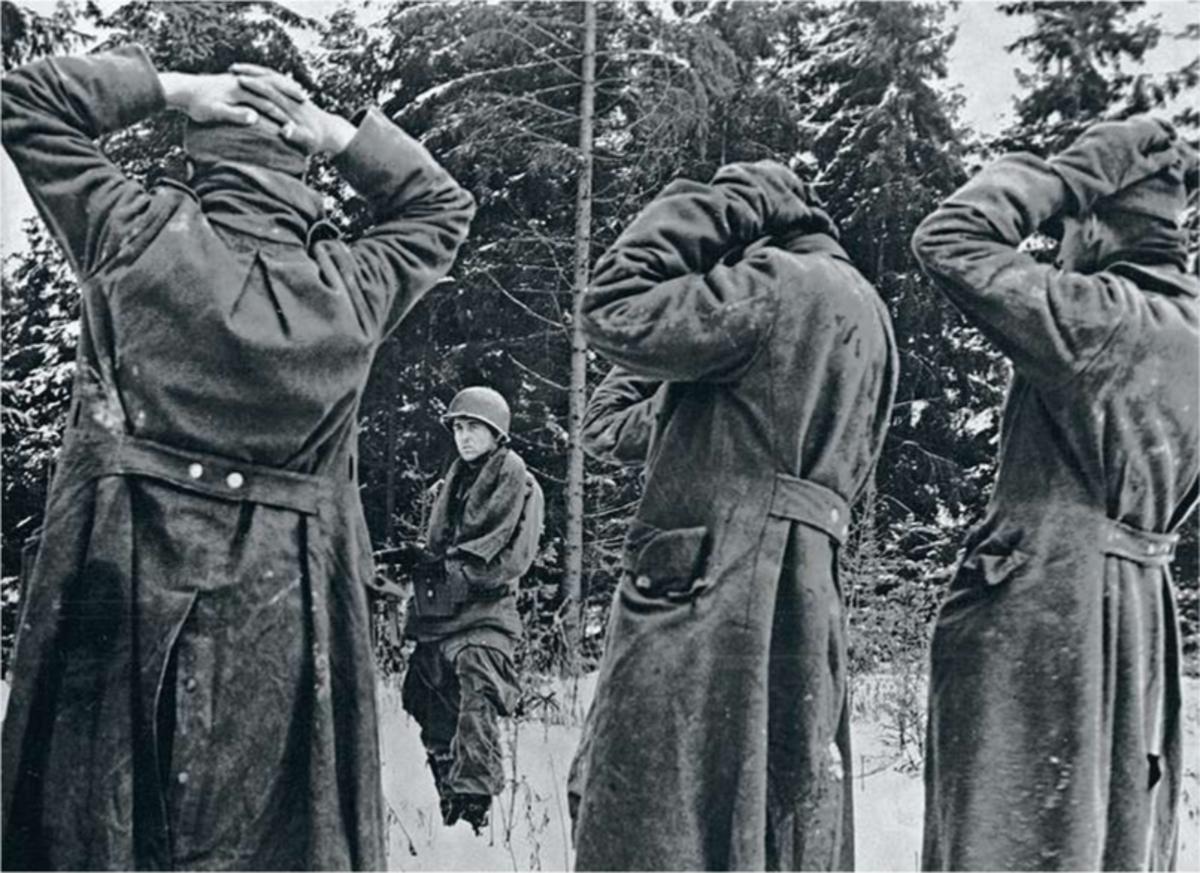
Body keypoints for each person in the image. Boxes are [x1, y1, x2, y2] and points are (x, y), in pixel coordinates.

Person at [1, 45, 474, 869]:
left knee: (99, 827)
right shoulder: (351, 288)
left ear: (199, 154)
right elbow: (441, 206)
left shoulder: (133, 234)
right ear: (302, 179)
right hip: (286, 615)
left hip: (118, 589)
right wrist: (336, 134)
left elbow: (25, 103)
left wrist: (176, 88)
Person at [568, 161, 898, 870]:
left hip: (709, 591)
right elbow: (611, 425)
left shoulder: (771, 286)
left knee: (659, 817)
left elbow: (610, 304)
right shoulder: (866, 308)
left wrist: (728, 202)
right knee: (777, 817)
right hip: (802, 598)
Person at [912, 118, 1198, 870]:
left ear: (1098, 229)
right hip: (1140, 617)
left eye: (1071, 229)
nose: (1060, 247)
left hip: (1049, 605)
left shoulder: (1097, 317)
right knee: (1106, 837)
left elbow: (947, 239)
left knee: (1010, 837)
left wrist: (1066, 177)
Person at [399, 386, 544, 834]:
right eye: (458, 428)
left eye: (473, 428)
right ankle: (450, 807)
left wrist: (447, 570)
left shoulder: (518, 480)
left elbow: (510, 561)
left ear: (496, 433)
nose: (463, 437)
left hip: (487, 616)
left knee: (475, 696)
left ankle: (474, 809)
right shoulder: (456, 480)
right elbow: (439, 547)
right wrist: (419, 562)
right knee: (425, 697)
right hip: (440, 617)